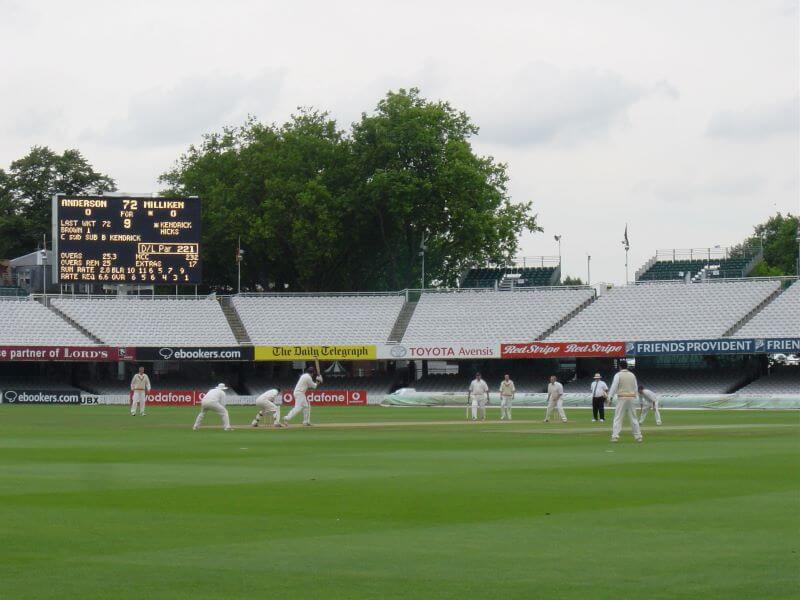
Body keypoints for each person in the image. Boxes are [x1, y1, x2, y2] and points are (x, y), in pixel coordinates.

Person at [608, 360, 642, 442]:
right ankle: (638, 437)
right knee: (633, 418)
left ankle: (615, 436)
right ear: (627, 366)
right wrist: (636, 398)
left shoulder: (618, 375)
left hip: (622, 398)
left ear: (620, 366)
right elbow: (635, 387)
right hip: (631, 398)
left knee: (618, 417)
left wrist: (610, 398)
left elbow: (614, 387)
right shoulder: (632, 375)